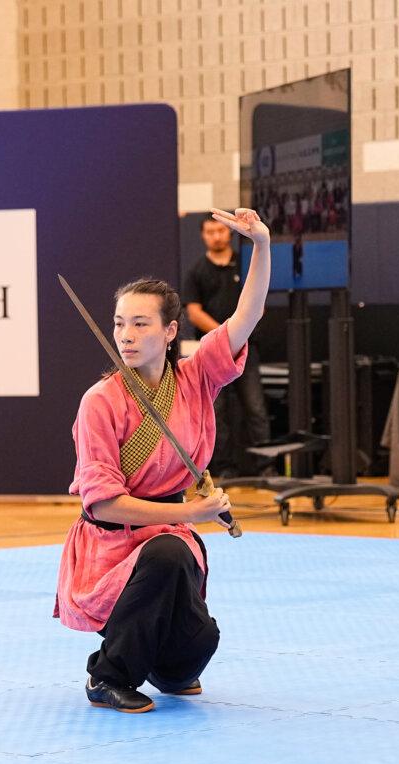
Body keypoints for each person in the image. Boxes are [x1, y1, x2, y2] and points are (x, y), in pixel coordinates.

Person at [55, 207, 271, 713]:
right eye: (119, 324)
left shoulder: (197, 377)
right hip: (113, 547)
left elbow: (249, 315)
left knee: (193, 656)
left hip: (172, 536)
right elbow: (104, 505)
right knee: (169, 554)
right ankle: (107, 674)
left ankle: (155, 657)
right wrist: (189, 515)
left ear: (171, 330)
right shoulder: (100, 403)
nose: (125, 335)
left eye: (140, 323)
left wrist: (260, 244)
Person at [181, 213, 270, 478]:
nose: (216, 236)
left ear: (229, 232)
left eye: (220, 230)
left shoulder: (245, 266)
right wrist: (224, 336)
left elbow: (257, 304)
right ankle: (223, 468)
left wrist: (237, 335)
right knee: (215, 411)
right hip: (209, 353)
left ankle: (266, 467)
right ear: (202, 235)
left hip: (246, 349)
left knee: (255, 408)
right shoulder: (196, 272)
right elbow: (194, 312)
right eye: (210, 232)